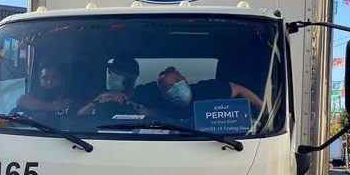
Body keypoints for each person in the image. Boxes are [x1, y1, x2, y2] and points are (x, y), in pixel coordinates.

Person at [134, 66, 263, 119]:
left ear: (186, 80)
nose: (176, 86)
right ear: (162, 94)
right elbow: (128, 99)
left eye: (178, 81)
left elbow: (239, 89)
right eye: (169, 86)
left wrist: (264, 110)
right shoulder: (153, 99)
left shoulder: (208, 90)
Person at [78, 57, 142, 116]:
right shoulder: (102, 96)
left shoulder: (143, 96)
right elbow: (79, 118)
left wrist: (131, 104)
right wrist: (97, 100)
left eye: (119, 72)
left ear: (133, 76)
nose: (113, 75)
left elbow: (151, 117)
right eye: (111, 72)